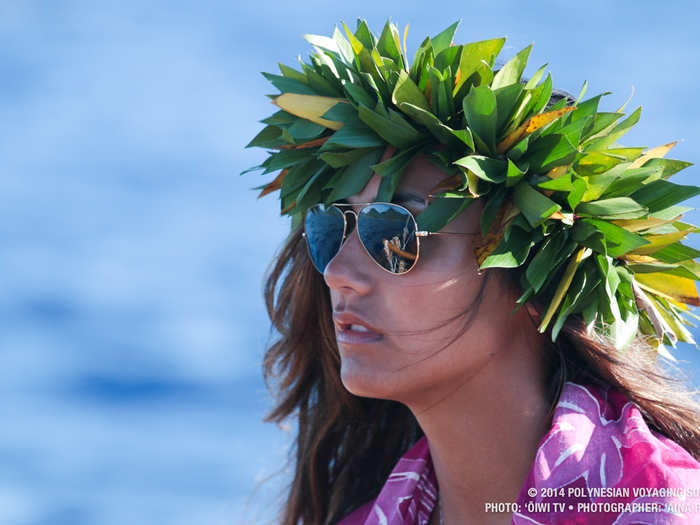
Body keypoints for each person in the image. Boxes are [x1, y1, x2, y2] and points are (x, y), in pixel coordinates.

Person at [245, 20, 700, 525]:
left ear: (538, 279)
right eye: (334, 228)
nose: (338, 273)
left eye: (396, 233)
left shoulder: (664, 507)